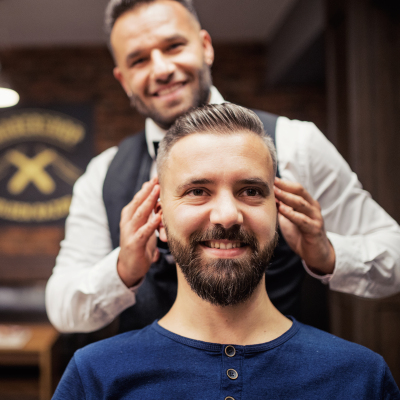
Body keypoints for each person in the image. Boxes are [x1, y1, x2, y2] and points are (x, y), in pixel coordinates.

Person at [45, 0, 400, 333]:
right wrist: (122, 271)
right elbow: (62, 308)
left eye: (173, 46)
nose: (162, 69)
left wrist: (329, 254)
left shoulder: (297, 144)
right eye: (139, 60)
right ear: (123, 79)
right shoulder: (102, 175)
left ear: (206, 47)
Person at [52, 104, 400, 399]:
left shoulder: (361, 378)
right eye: (198, 191)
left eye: (250, 191)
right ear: (158, 217)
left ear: (278, 211)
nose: (227, 216)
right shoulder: (94, 378)